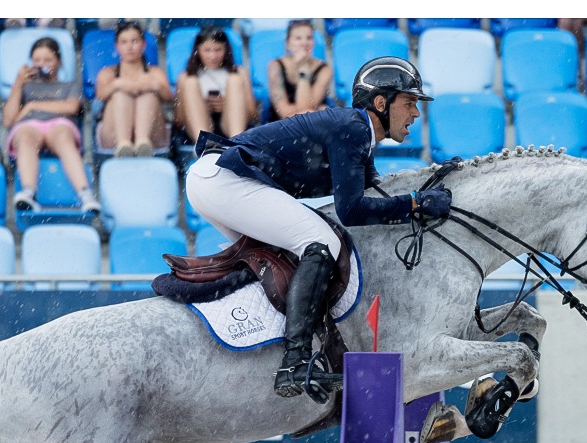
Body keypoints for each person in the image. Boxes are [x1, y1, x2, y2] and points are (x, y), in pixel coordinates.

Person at [185, 57, 452, 400]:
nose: (416, 113)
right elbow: (353, 210)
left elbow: (378, 197)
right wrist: (414, 203)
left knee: (288, 257)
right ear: (381, 103)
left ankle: (261, 344)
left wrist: (426, 190)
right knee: (320, 241)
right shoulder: (353, 129)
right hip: (225, 179)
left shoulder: (359, 135)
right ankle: (294, 362)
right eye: (410, 103)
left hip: (214, 181)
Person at [2, 36, 100, 213]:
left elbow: (71, 107)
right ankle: (28, 192)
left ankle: (86, 196)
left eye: (48, 59)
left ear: (59, 62)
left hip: (59, 124)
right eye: (37, 60)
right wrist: (18, 83)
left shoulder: (70, 85)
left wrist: (32, 105)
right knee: (25, 139)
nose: (42, 64)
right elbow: (8, 120)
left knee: (64, 138)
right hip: (29, 126)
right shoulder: (24, 87)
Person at [95, 20, 174, 156]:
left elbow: (169, 98)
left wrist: (154, 85)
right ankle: (123, 144)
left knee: (148, 94)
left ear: (143, 45)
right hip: (113, 136)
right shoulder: (107, 73)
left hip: (152, 138)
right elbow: (99, 97)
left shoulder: (155, 73)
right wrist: (117, 84)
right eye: (124, 42)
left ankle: (142, 142)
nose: (129, 47)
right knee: (120, 94)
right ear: (117, 46)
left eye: (134, 41)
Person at [174, 26, 257, 144]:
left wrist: (229, 104)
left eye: (218, 50)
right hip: (199, 129)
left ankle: (236, 146)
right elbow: (179, 121)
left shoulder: (239, 72)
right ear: (197, 50)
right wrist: (200, 106)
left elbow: (253, 116)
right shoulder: (185, 77)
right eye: (207, 50)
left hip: (231, 126)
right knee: (190, 82)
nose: (213, 56)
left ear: (226, 49)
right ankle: (204, 146)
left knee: (234, 80)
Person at [266, 19, 334, 122]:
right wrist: (314, 109)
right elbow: (283, 112)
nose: (304, 43)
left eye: (309, 38)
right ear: (288, 44)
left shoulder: (325, 69)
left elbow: (305, 109)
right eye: (298, 38)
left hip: (311, 124)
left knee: (322, 110)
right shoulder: (275, 66)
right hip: (280, 125)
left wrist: (303, 69)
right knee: (320, 110)